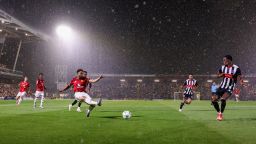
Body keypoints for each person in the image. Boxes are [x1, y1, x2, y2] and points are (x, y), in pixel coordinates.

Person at [211, 55, 244, 121]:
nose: (223, 61)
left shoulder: (236, 68)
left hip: (230, 87)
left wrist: (241, 82)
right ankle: (219, 112)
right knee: (213, 100)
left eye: (225, 60)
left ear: (229, 60)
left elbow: (240, 77)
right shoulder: (222, 67)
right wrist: (221, 74)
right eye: (223, 60)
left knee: (223, 99)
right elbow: (217, 75)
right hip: (222, 86)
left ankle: (220, 114)